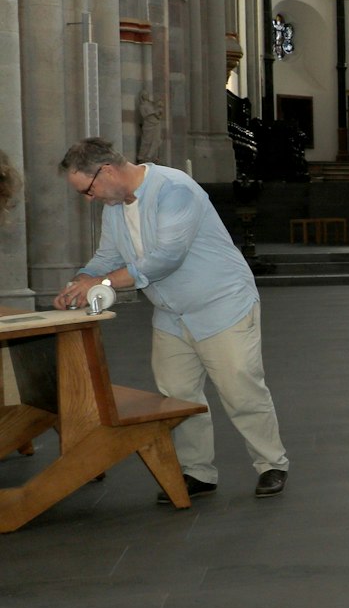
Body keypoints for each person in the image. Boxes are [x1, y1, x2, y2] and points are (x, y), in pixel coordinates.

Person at [54, 138, 290, 501]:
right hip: (170, 312)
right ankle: (197, 472)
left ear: (106, 171)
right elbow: (107, 256)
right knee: (177, 397)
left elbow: (166, 258)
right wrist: (78, 281)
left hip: (221, 303)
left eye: (88, 189)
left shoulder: (175, 189)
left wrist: (100, 283)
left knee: (240, 389)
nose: (89, 198)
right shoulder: (114, 207)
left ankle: (271, 464)